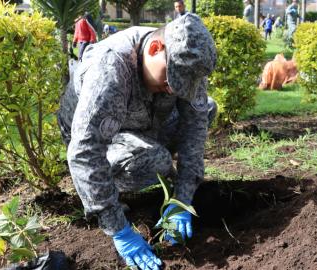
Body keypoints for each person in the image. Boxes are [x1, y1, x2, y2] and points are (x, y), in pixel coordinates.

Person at [57, 14, 217, 270]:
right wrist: (118, 229)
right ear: (155, 49)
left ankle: (153, 162)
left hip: (144, 124)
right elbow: (84, 151)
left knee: (205, 109)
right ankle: (113, 186)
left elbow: (194, 131)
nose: (174, 90)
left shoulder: (186, 62)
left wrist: (182, 198)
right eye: (170, 81)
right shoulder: (110, 69)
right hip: (100, 137)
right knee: (157, 160)